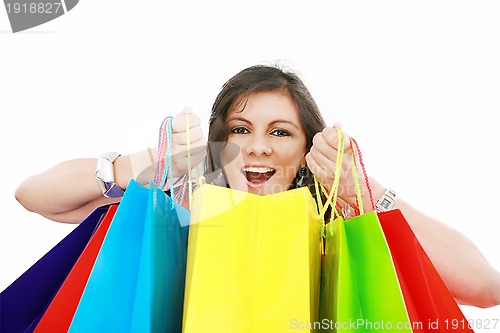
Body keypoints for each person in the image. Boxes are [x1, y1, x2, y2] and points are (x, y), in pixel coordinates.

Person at [15, 64, 500, 309]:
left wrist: (362, 189)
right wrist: (146, 163)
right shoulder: (182, 209)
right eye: (241, 130)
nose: (257, 148)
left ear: (309, 148)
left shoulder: (340, 222)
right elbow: (36, 197)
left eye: (280, 132)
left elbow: (483, 287)